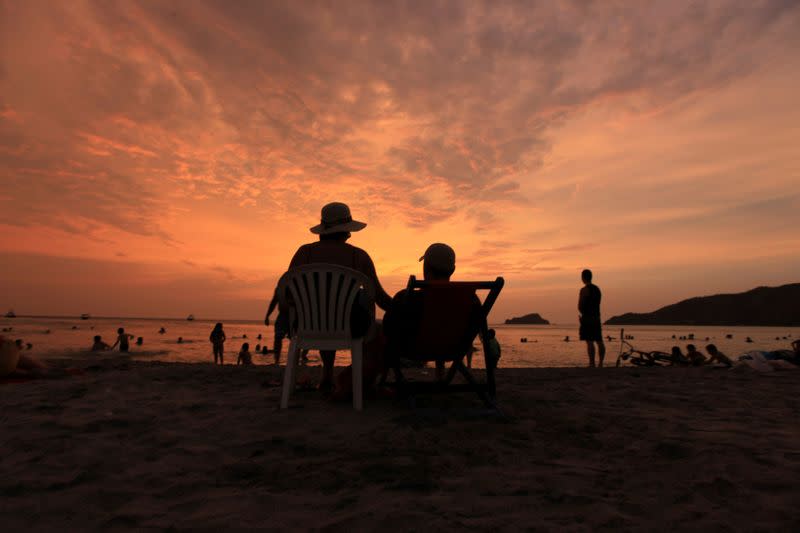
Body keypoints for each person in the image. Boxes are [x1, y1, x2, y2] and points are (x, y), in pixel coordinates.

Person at [274, 202, 392, 392]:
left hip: (305, 327)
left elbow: (286, 298)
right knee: (373, 325)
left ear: (323, 230)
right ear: (347, 231)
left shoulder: (304, 253)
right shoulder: (358, 256)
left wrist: (302, 310)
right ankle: (359, 381)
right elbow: (379, 298)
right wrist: (402, 305)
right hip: (349, 328)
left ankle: (327, 374)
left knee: (323, 312)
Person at [383, 243, 483, 381]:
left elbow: (388, 329)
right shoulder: (472, 300)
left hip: (414, 350)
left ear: (425, 268)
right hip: (454, 350)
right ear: (453, 270)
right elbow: (473, 328)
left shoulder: (409, 298)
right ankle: (440, 377)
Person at [578, 269, 605, 367]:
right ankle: (601, 363)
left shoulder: (584, 290)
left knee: (589, 341)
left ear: (583, 278)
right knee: (599, 340)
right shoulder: (597, 289)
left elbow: (580, 306)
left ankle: (592, 363)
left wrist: (582, 316)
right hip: (596, 317)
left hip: (587, 318)